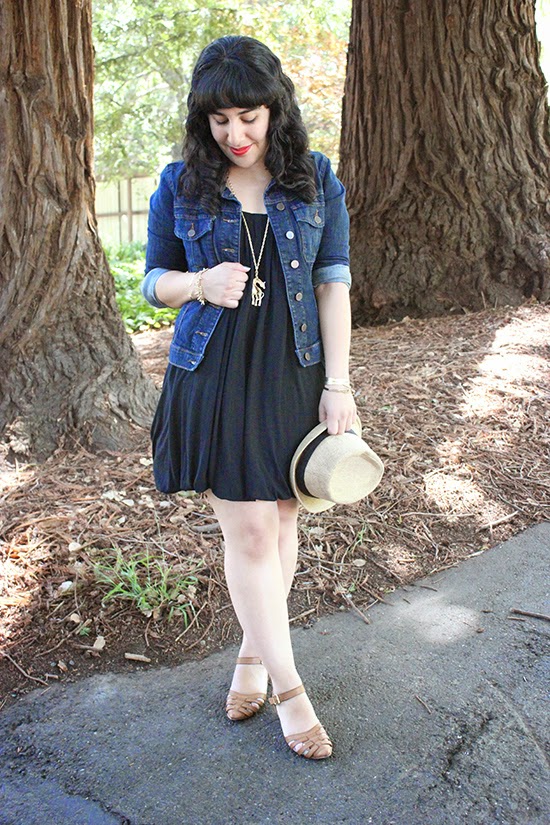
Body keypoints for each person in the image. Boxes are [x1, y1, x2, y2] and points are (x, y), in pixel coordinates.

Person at [142, 35, 356, 760]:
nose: (235, 135)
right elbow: (153, 281)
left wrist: (338, 386)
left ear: (276, 110)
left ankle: (252, 655)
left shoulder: (315, 178)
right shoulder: (181, 185)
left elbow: (333, 285)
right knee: (253, 533)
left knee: (286, 522)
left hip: (294, 369)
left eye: (250, 117)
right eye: (220, 120)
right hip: (215, 372)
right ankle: (294, 695)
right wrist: (200, 284)